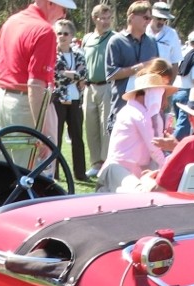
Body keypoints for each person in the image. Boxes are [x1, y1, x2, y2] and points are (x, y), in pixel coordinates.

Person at [0, 0, 75, 151]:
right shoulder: (45, 31)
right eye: (63, 9)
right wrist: (42, 133)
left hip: (3, 100)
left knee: (5, 167)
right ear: (50, 4)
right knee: (32, 168)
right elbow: (35, 84)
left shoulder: (10, 22)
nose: (64, 15)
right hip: (27, 105)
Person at [96, 72, 174, 191]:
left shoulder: (135, 111)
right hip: (120, 173)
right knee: (146, 194)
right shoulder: (139, 115)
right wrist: (167, 169)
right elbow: (154, 147)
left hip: (132, 170)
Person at [105, 1, 157, 133]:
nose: (148, 22)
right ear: (132, 17)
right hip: (122, 104)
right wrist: (139, 67)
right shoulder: (116, 41)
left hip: (146, 105)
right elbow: (111, 74)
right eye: (146, 17)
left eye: (150, 19)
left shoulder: (151, 42)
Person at [52, 18, 87, 179]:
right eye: (59, 33)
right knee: (55, 138)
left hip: (75, 101)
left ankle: (80, 173)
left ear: (72, 35)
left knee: (77, 137)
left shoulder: (79, 54)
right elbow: (54, 76)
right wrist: (74, 76)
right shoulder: (52, 54)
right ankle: (54, 172)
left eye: (66, 33)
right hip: (57, 100)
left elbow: (84, 73)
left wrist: (66, 74)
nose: (62, 36)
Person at [81, 3, 113, 178]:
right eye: (102, 18)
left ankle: (106, 162)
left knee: (105, 126)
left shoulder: (115, 38)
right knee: (91, 126)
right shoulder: (87, 39)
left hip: (108, 86)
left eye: (109, 18)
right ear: (95, 19)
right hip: (89, 87)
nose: (106, 22)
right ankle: (95, 162)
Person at [172, 30, 194, 141]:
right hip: (187, 92)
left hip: (176, 91)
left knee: (178, 123)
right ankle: (169, 150)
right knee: (183, 127)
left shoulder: (181, 51)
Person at [147, 2, 180, 78]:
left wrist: (170, 83)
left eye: (164, 19)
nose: (162, 22)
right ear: (151, 16)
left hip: (163, 78)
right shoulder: (143, 30)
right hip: (144, 77)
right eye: (159, 18)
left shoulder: (172, 34)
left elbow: (175, 62)